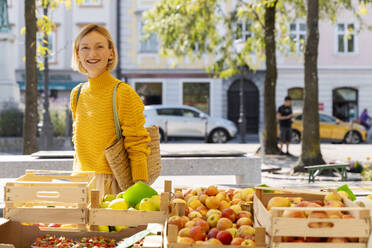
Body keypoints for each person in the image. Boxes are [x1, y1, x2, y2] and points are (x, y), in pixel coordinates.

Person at [70, 24, 150, 197]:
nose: (92, 54)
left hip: (111, 185)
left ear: (111, 53)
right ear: (77, 54)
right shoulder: (76, 94)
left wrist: (139, 188)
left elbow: (137, 143)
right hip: (80, 182)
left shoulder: (123, 92)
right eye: (85, 48)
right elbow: (79, 144)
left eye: (99, 47)